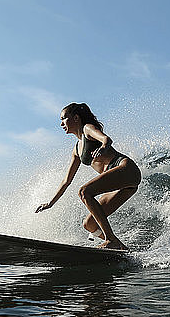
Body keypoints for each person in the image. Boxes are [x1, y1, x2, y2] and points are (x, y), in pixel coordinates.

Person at [35, 102, 141, 250]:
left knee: (84, 192)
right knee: (89, 224)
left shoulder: (87, 129)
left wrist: (104, 146)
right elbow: (66, 181)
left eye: (64, 118)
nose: (61, 123)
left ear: (76, 118)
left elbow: (106, 139)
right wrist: (51, 203)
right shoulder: (76, 150)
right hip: (121, 184)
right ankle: (120, 247)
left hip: (125, 169)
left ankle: (111, 240)